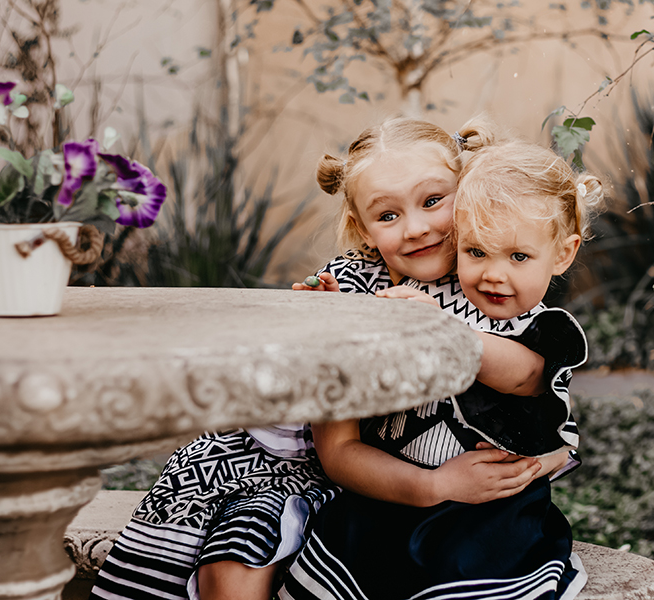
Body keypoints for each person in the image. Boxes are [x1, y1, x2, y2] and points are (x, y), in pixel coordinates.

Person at [89, 117, 544, 600]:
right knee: (233, 566)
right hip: (277, 459)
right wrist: (324, 329)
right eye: (387, 215)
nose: (416, 228)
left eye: (434, 201)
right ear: (363, 230)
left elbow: (538, 376)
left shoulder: (495, 278)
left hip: (389, 486)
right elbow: (335, 453)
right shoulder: (350, 289)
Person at [282, 139, 605, 600]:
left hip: (487, 519)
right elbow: (344, 421)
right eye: (476, 252)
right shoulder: (409, 291)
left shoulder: (539, 328)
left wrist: (444, 330)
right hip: (391, 501)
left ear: (564, 255)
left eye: (517, 256)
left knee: (464, 579)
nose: (494, 274)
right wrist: (340, 320)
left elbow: (525, 375)